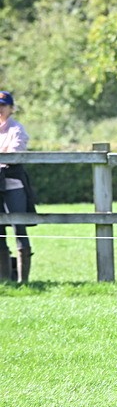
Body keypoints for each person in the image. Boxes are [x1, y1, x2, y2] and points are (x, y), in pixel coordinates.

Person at [0, 89, 34, 283]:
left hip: (12, 185)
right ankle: (4, 281)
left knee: (19, 228)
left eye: (3, 105)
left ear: (11, 108)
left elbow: (15, 153)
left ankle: (24, 281)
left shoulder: (16, 129)